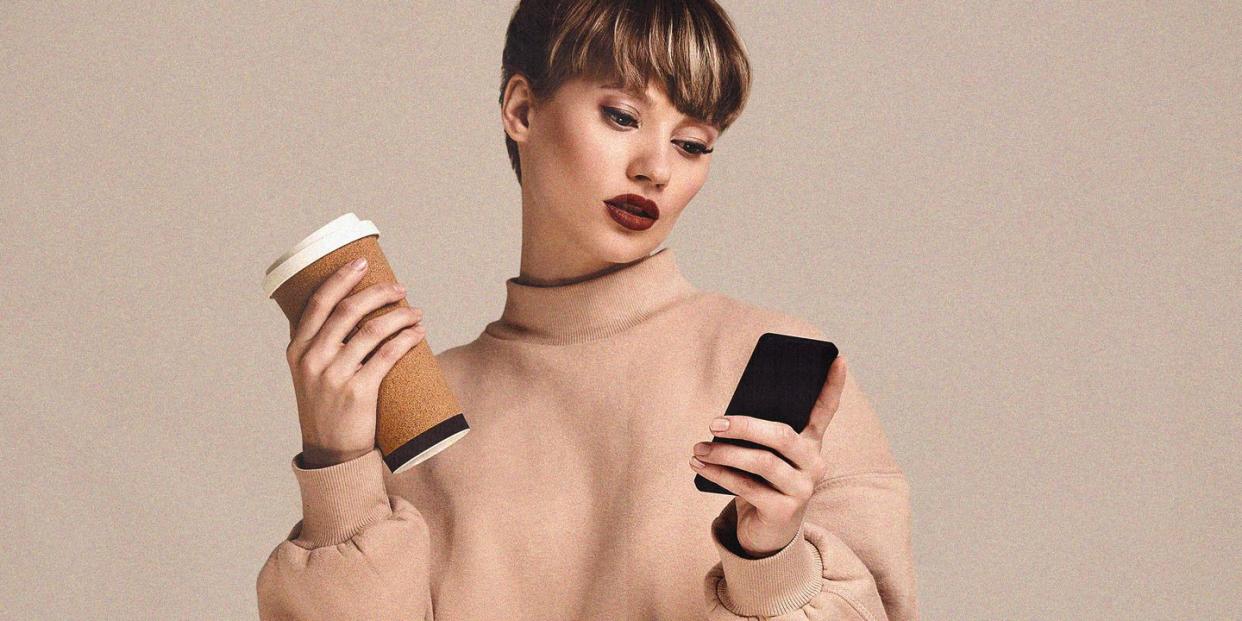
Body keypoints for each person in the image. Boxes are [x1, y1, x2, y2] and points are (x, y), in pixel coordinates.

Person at [257, 0, 919, 619]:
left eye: (692, 143)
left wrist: (772, 557)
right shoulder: (420, 413)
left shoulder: (775, 367)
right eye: (623, 117)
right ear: (520, 109)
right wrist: (338, 462)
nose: (656, 168)